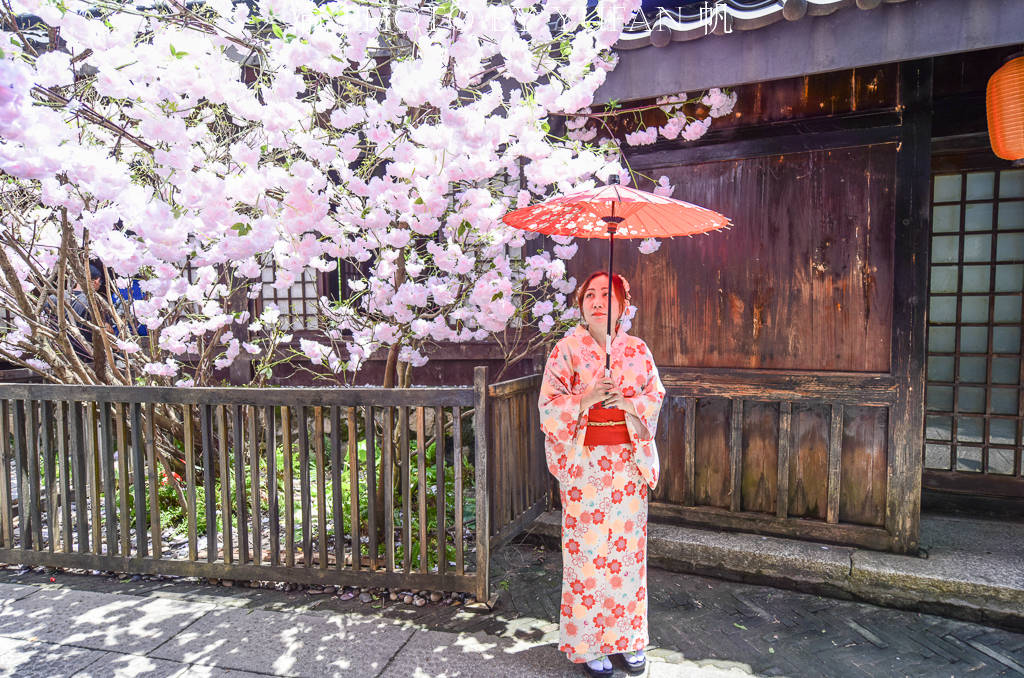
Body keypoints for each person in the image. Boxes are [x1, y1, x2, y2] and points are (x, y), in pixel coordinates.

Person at [538, 271, 665, 677]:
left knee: (627, 558)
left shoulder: (639, 351)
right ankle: (589, 642)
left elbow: (654, 397)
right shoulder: (566, 350)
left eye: (607, 295)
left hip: (627, 466)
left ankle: (628, 639)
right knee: (587, 558)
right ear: (580, 305)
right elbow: (548, 407)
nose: (597, 301)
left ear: (623, 306)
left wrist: (626, 402)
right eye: (589, 295)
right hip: (585, 465)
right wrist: (586, 397)